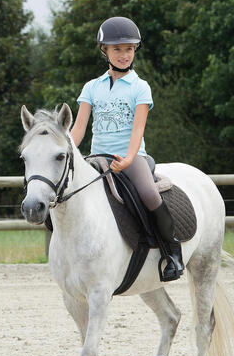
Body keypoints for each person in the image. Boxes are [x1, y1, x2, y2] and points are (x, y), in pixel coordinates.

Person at [69, 16, 184, 282]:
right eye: (117, 49)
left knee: (148, 194)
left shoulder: (140, 87)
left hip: (130, 157)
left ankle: (172, 251)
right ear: (104, 51)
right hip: (97, 157)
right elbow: (78, 129)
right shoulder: (91, 87)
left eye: (129, 49)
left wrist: (129, 158)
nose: (124, 54)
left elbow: (137, 129)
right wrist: (67, 153)